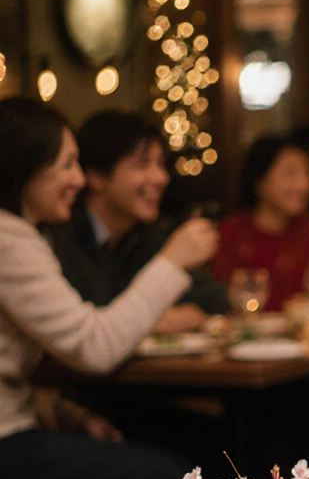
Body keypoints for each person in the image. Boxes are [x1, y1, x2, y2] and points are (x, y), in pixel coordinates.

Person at [0, 98, 212, 479]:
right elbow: (95, 347)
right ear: (25, 167)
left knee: (175, 455)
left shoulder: (21, 234)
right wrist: (172, 261)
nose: (77, 179)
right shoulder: (8, 238)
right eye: (67, 165)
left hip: (20, 432)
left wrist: (66, 412)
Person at [46, 111, 226, 333]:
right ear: (96, 175)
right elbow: (87, 327)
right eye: (143, 165)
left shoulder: (144, 235)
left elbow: (215, 300)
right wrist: (153, 321)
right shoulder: (59, 237)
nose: (161, 177)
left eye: (160, 164)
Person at [212, 135, 309, 311]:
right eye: (290, 173)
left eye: (308, 174)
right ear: (259, 180)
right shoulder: (233, 232)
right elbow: (220, 301)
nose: (304, 185)